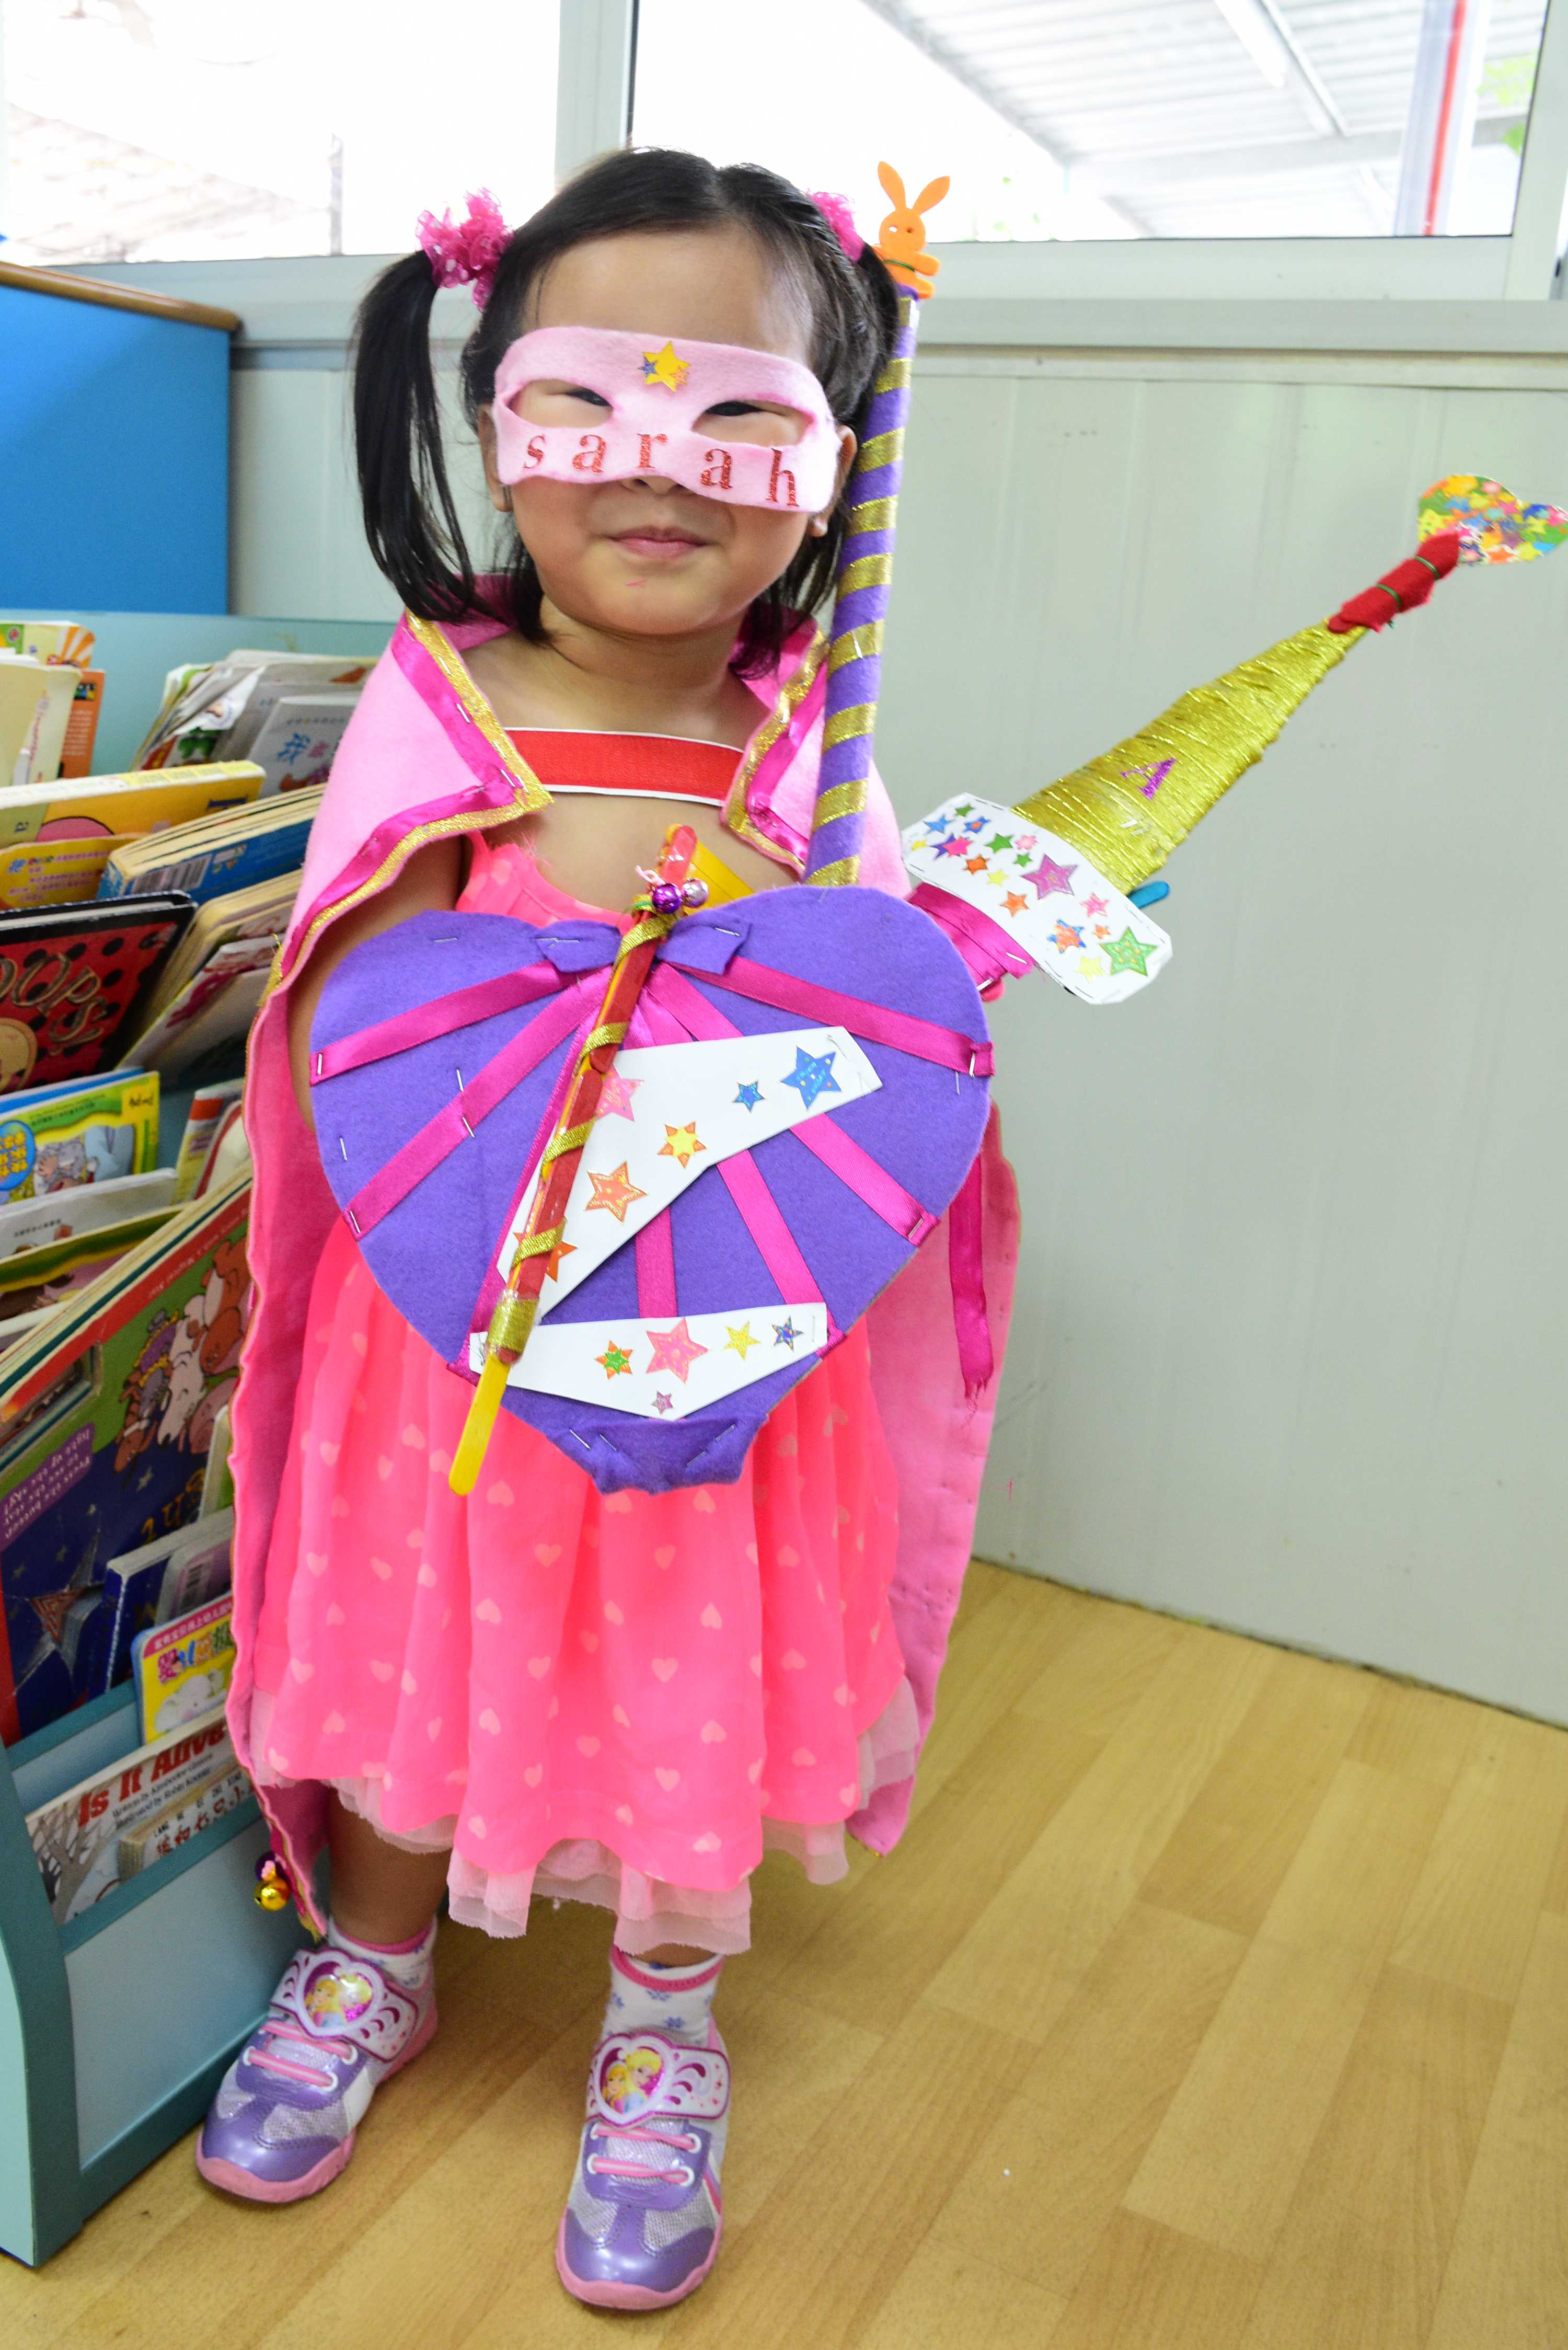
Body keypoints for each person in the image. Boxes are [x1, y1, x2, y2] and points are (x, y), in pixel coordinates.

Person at [203, 148, 1018, 2312]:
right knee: (419, 1624)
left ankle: (664, 2023)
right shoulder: (444, 700)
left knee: (685, 1646)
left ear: (828, 456)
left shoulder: (810, 733)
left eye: (736, 411)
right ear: (497, 430)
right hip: (453, 1321)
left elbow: (869, 1035)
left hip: (714, 1321)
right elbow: (360, 1026)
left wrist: (877, 951)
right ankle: (374, 1959)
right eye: (589, 403)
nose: (660, 466)